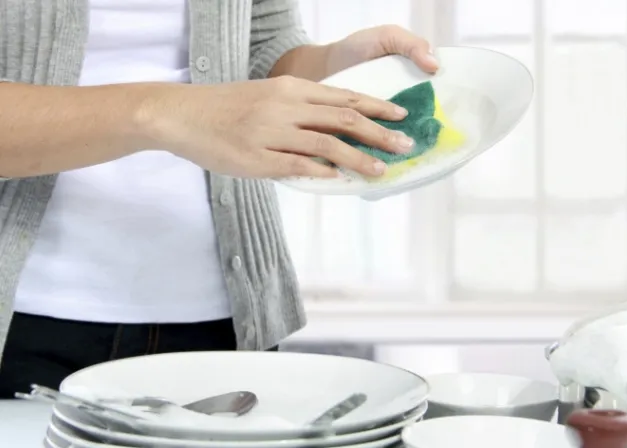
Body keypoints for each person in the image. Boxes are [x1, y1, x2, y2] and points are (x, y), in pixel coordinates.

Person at [0, 0, 438, 398]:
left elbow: (262, 45)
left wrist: (336, 65)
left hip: (230, 318)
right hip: (25, 322)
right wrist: (163, 110)